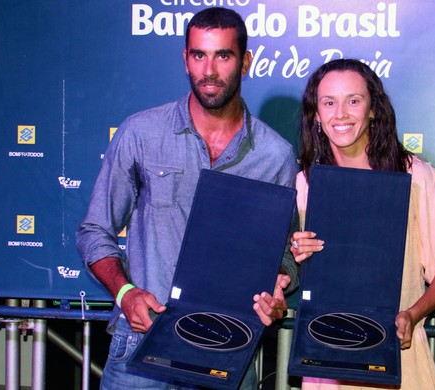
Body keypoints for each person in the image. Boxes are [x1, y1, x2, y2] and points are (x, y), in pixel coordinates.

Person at [75, 7, 298, 389]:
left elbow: (285, 256)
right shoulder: (141, 133)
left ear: (245, 62)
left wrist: (278, 289)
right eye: (199, 55)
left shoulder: (275, 155)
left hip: (229, 348)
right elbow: (94, 231)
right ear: (185, 59)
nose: (209, 70)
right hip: (141, 345)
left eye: (223, 56)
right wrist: (125, 293)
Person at [289, 59, 435, 390]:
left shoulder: (414, 177)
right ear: (316, 114)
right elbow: (295, 280)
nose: (340, 114)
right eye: (329, 102)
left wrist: (412, 315)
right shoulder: (304, 186)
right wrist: (299, 258)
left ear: (373, 109)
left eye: (353, 100)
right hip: (326, 363)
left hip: (398, 356)